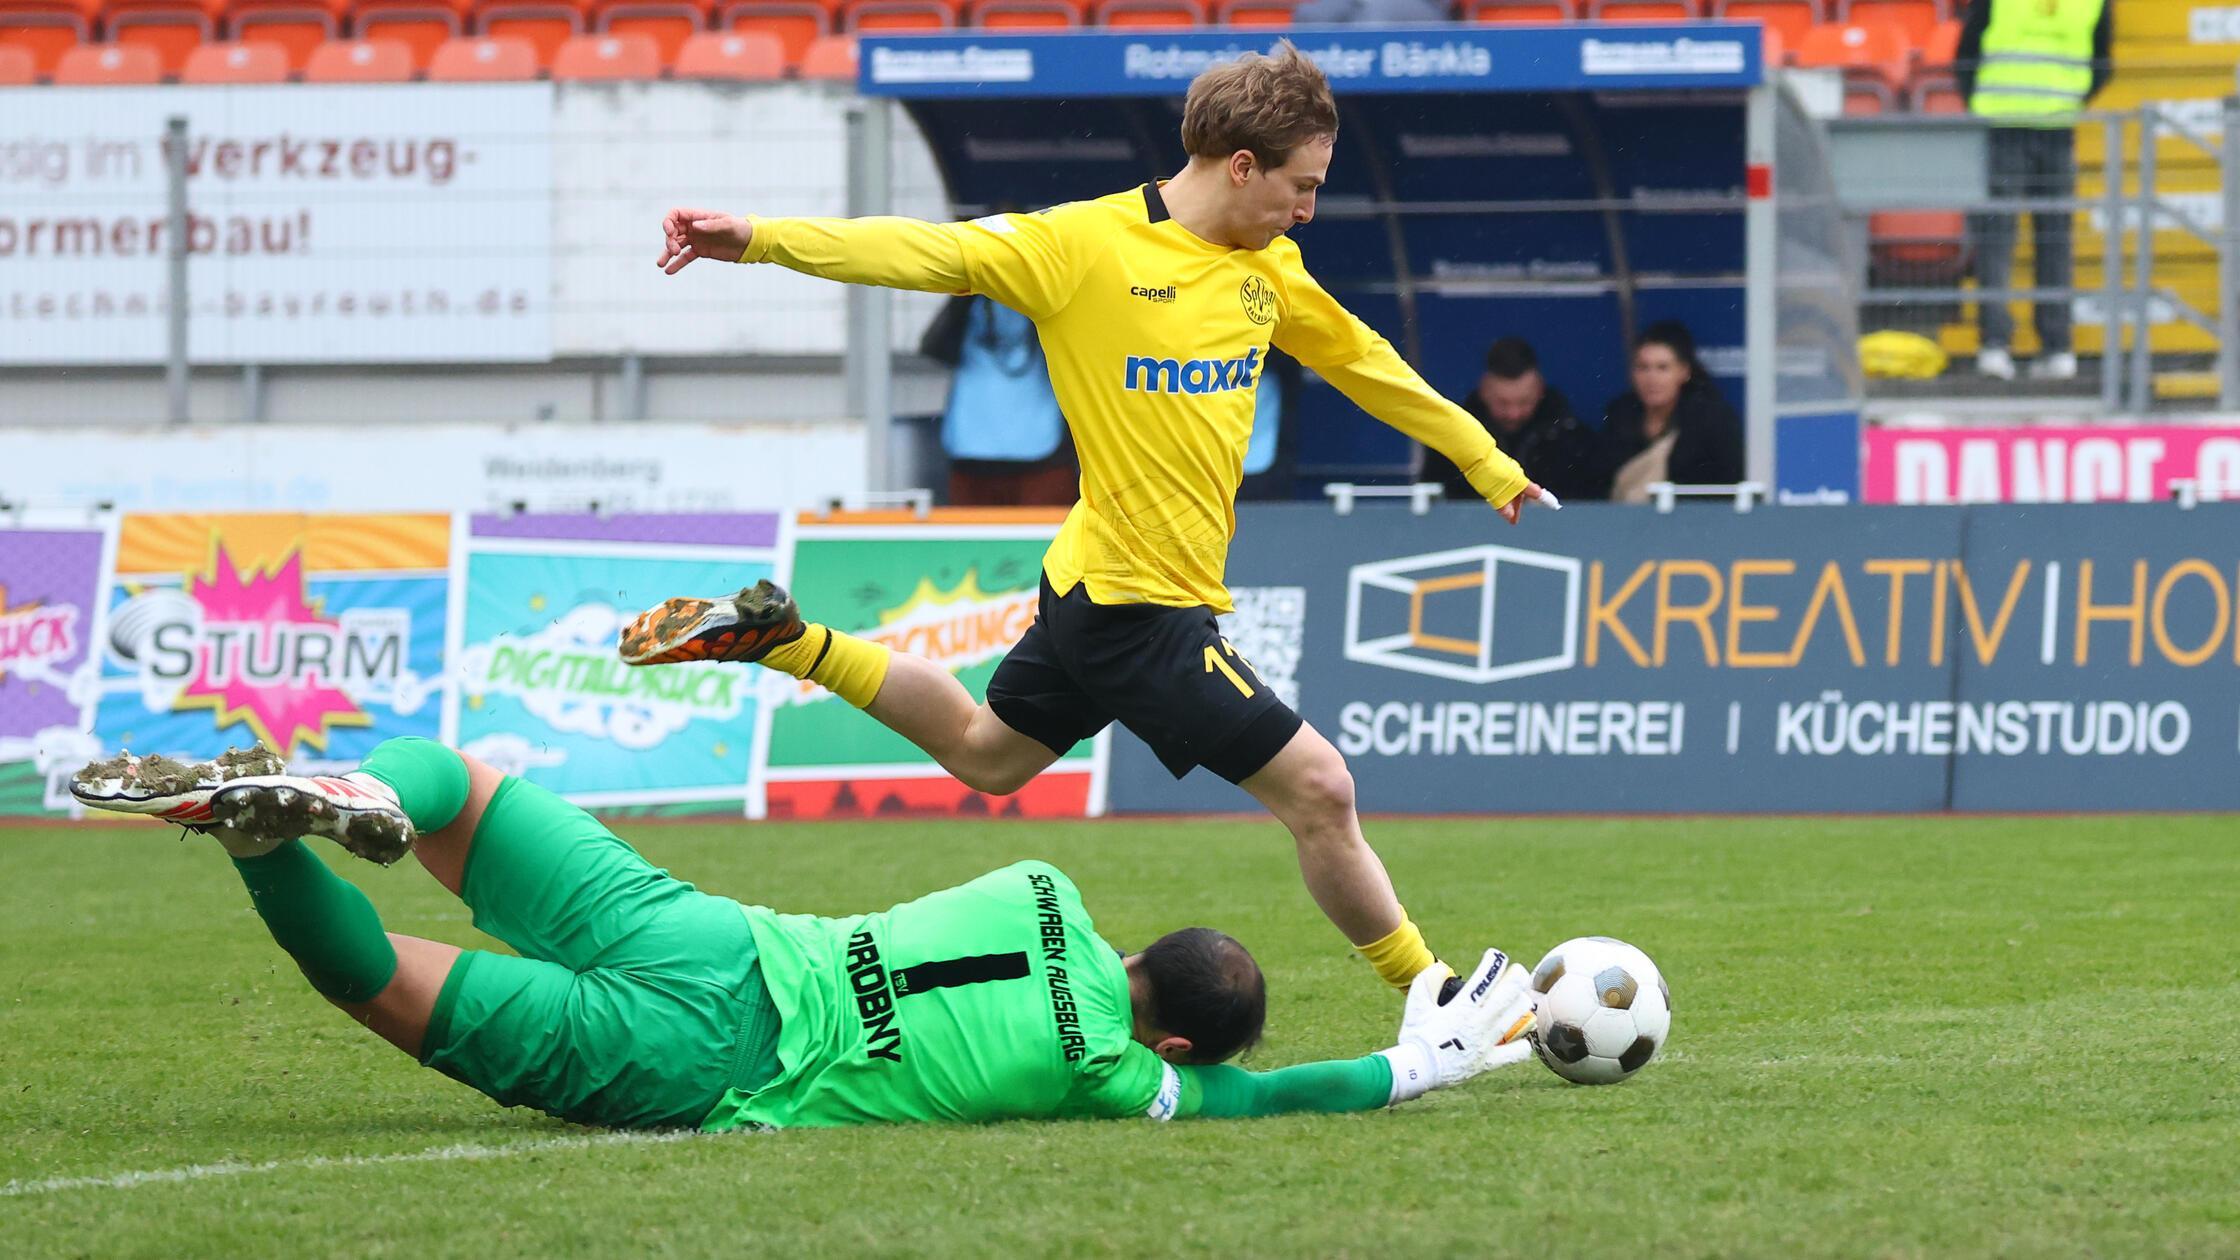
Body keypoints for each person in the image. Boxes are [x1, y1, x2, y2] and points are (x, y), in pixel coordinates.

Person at [629, 45, 1553, 999]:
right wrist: (762, 237)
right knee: (1322, 789)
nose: (1308, 210)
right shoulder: (1084, 247)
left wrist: (1489, 464)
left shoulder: (1267, 269)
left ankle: (783, 638)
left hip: (1089, 583)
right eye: (1301, 186)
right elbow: (930, 252)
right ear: (1242, 165)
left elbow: (1366, 361)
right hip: (1135, 608)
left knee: (988, 757)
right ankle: (1439, 998)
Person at [68, 741, 1539, 1130]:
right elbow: (1265, 1097)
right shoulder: (1117, 1072)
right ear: (1163, 1031)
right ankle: (266, 842)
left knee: (473, 794)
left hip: (720, 937)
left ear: (1145, 944)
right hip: (707, 1062)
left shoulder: (1043, 882)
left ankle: (366, 787)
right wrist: (1430, 1057)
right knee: (382, 980)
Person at [1957, 0, 2114, 383]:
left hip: (2050, 131)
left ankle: (2049, 346)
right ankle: (2001, 345)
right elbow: (1966, 55)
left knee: (2047, 240)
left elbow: (2102, 64)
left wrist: (2065, 103)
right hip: (2005, 129)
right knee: (2004, 241)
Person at [918, 286, 1077, 507]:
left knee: (975, 538)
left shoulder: (973, 294)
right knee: (1045, 538)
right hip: (1033, 452)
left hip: (978, 449)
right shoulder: (1048, 295)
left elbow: (933, 347)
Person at [1421, 337, 1606, 504]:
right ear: (1484, 391)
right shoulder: (1454, 437)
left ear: (1540, 390)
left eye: (1524, 402)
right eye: (1502, 403)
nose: (1513, 414)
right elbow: (1433, 495)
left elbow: (1593, 500)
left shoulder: (1572, 437)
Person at [1600, 321, 1746, 503]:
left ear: (1684, 371)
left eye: (1662, 368)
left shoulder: (1712, 420)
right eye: (1643, 367)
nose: (1651, 378)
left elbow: (1732, 484)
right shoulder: (1619, 416)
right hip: (1625, 525)